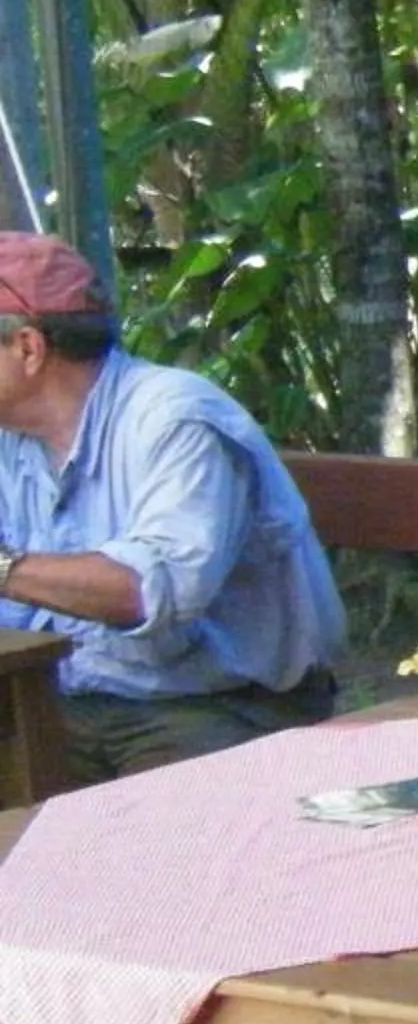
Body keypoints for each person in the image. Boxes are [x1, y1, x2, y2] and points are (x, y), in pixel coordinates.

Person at [0, 229, 345, 785]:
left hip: (215, 706)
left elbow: (153, 590)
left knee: (158, 856)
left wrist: (4, 569)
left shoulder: (175, 420)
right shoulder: (13, 437)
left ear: (29, 348)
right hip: (66, 699)